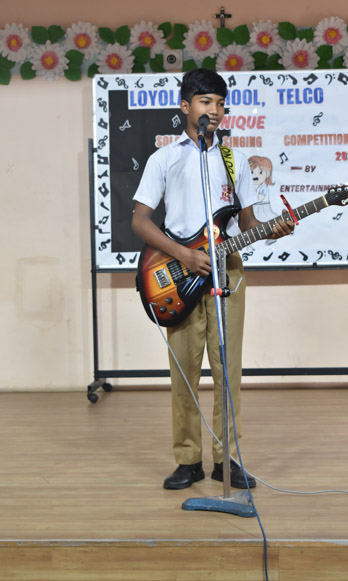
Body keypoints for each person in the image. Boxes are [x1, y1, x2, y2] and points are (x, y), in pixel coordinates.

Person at [132, 68, 294, 490]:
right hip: (182, 273)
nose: (215, 110)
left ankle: (228, 460)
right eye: (206, 102)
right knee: (184, 372)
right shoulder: (164, 159)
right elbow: (140, 221)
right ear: (185, 106)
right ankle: (188, 461)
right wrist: (183, 253)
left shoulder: (232, 159)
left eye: (221, 104)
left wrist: (272, 229)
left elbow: (247, 223)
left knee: (227, 372)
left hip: (227, 273)